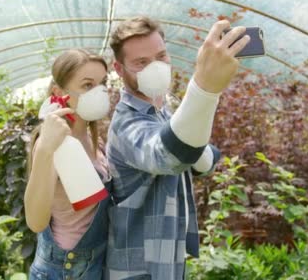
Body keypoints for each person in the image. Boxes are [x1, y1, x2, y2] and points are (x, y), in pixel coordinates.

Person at [105, 16, 250, 279]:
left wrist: (201, 154)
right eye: (141, 63)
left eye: (161, 56)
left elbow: (199, 158)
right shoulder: (125, 123)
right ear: (119, 68)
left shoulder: (162, 111)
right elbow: (167, 154)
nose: (156, 67)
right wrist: (205, 88)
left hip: (167, 264)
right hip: (135, 270)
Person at [25, 49, 112, 280]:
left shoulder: (95, 139)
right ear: (59, 93)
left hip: (94, 265)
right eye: (87, 85)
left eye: (103, 83)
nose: (100, 91)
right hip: (64, 270)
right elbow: (35, 221)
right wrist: (44, 148)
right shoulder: (54, 144)